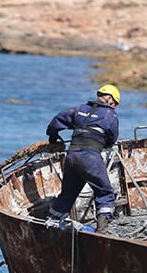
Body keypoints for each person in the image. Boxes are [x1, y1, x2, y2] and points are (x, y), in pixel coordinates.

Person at [45, 84, 121, 232]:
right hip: (90, 157)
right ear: (110, 99)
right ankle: (102, 231)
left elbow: (56, 122)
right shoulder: (110, 115)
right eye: (115, 104)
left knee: (68, 192)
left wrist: (53, 138)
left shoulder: (78, 109)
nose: (114, 107)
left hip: (71, 156)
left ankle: (52, 224)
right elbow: (112, 138)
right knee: (104, 192)